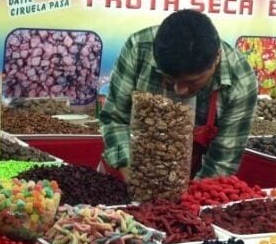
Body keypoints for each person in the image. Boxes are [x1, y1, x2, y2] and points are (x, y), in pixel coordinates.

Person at [99, 9, 258, 180]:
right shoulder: (139, 47)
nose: (179, 90)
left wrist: (187, 202)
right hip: (127, 173)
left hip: (191, 181)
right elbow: (114, 118)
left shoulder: (240, 80)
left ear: (217, 57)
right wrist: (134, 179)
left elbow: (221, 163)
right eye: (169, 78)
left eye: (192, 81)